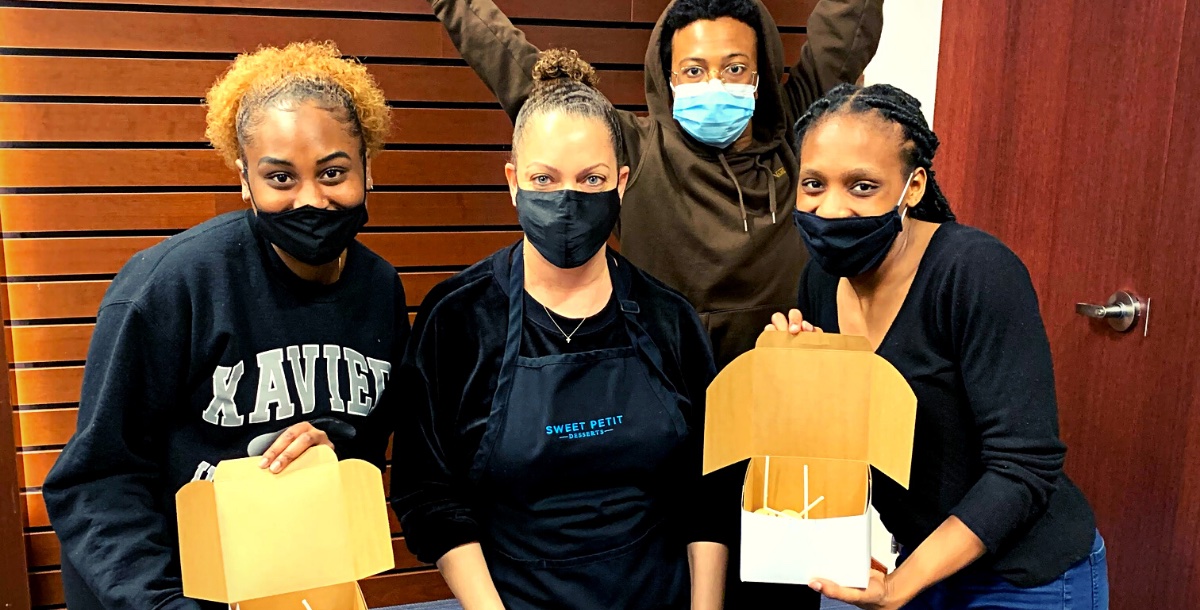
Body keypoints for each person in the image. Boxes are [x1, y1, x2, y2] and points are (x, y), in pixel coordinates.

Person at [41, 41, 408, 610]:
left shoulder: (381, 289)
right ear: (244, 179)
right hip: (159, 593)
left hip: (284, 588)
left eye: (333, 172)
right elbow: (94, 483)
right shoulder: (168, 287)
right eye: (280, 178)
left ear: (368, 166)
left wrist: (331, 446)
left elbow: (363, 449)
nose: (312, 199)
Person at [390, 49, 727, 610]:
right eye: (544, 179)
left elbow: (709, 488)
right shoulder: (459, 318)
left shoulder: (669, 318)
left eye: (590, 179)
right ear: (513, 182)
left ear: (621, 183)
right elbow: (429, 493)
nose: (566, 199)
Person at [764, 83, 1109, 609]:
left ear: (914, 185)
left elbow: (1024, 467)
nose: (830, 209)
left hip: (1023, 575)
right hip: (925, 561)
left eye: (861, 186)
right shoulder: (819, 284)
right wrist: (796, 378)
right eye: (813, 184)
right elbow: (848, 446)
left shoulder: (975, 273)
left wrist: (902, 586)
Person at [426, 0, 883, 369]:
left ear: (760, 75)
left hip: (777, 388)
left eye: (735, 68)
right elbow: (512, 66)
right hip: (662, 381)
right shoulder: (634, 147)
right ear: (669, 77)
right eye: (694, 70)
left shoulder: (794, 134)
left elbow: (844, 31)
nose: (715, 83)